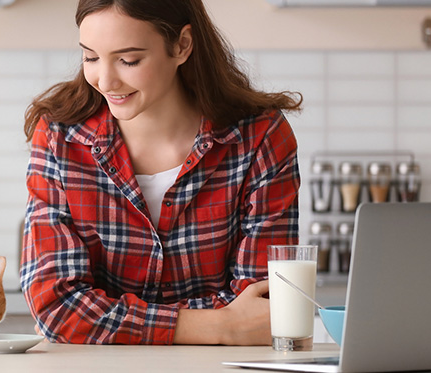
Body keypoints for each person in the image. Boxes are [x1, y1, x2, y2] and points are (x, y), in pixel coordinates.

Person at [20, 0, 302, 345]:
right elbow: (57, 306)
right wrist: (220, 326)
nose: (105, 80)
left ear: (182, 45)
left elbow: (262, 307)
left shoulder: (260, 138)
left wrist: (100, 320)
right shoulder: (59, 137)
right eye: (90, 57)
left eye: (129, 60)